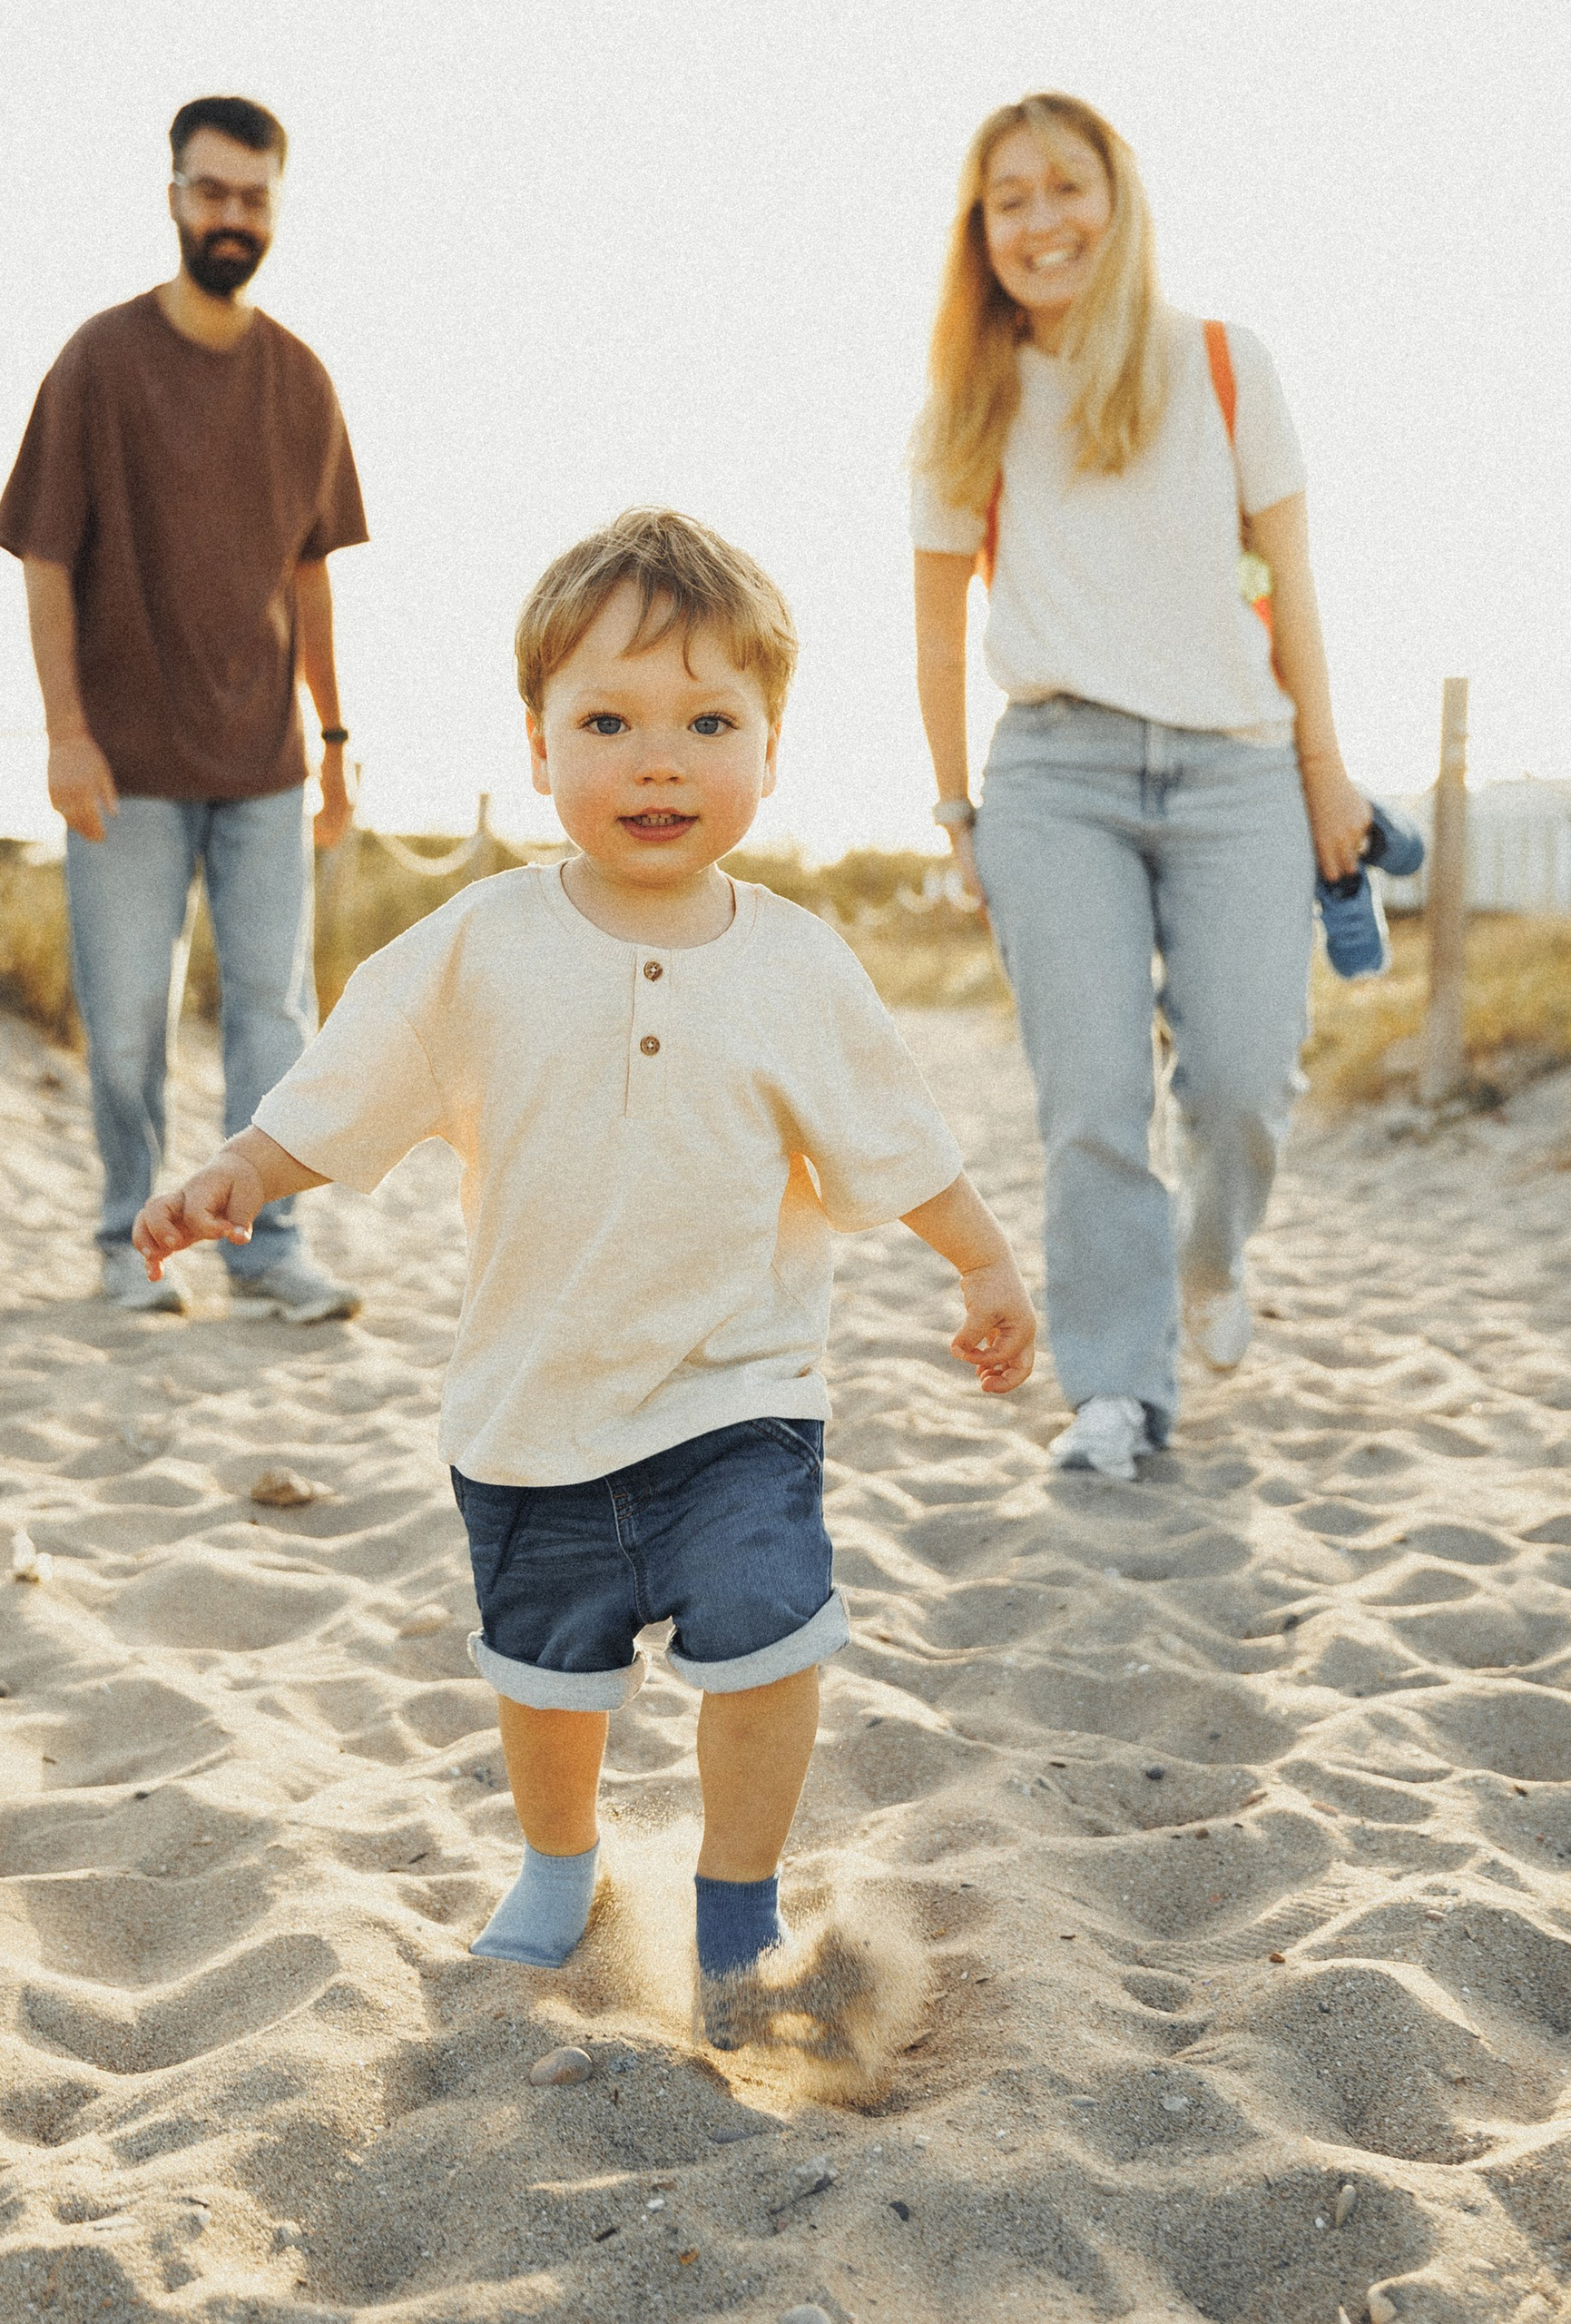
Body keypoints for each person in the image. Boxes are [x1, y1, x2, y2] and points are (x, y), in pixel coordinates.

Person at [133, 510, 1036, 2035]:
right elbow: (356, 1083)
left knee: (768, 1629)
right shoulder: (479, 942)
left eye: (708, 722)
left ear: (772, 749)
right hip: (534, 1397)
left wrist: (986, 1267)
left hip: (739, 1390)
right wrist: (245, 1171)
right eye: (608, 722)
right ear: (540, 748)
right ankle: (561, 1865)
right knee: (549, 1677)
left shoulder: (798, 961)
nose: (660, 760)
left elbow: (898, 1141)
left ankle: (736, 1911)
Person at [909, 92, 1373, 1481]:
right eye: (1011, 200)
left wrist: (1326, 774)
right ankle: (1114, 1390)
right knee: (1093, 1101)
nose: (1043, 220)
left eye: (1067, 186)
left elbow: (1291, 585)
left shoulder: (1225, 365)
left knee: (1244, 1081)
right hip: (1056, 775)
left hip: (1240, 772)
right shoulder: (970, 401)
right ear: (982, 234)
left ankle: (1210, 1261)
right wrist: (955, 814)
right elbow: (937, 631)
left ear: (1116, 196)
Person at [0, 95, 369, 1322]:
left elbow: (310, 573)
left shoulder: (302, 380)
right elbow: (46, 554)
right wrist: (64, 729)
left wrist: (337, 739)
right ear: (171, 196)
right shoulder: (98, 362)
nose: (231, 217)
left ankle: (269, 1248)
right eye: (210, 192)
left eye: (253, 197)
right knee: (128, 1025)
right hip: (127, 764)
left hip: (266, 764)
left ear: (276, 208)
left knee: (275, 1019)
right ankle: (125, 1241)